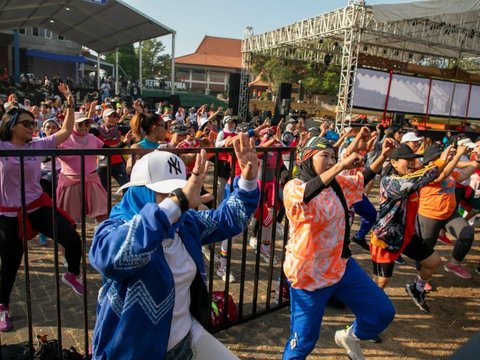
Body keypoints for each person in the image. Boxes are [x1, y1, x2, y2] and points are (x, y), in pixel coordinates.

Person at [89, 133, 259, 359]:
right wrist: (174, 206)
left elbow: (228, 220)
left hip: (184, 342)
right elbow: (111, 260)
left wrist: (247, 181)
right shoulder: (116, 226)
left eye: (179, 190)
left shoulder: (184, 222)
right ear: (139, 190)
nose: (175, 198)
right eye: (166, 192)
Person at [282, 136, 396, 360]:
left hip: (340, 266)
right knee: (303, 343)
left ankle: (349, 336)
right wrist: (340, 165)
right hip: (308, 276)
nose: (330, 160)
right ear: (307, 158)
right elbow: (306, 195)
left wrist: (382, 155)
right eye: (324, 156)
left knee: (381, 312)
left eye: (333, 156)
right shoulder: (293, 187)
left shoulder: (337, 184)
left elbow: (362, 179)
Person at [0, 85, 84, 332]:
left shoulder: (36, 145)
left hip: (37, 205)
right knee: (11, 264)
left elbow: (67, 130)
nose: (31, 127)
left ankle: (71, 274)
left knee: (73, 239)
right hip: (7, 213)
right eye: (26, 123)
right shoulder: (1, 147)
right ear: (12, 125)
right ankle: (2, 306)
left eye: (32, 123)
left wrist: (69, 102)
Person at [370, 143, 449, 312]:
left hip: (407, 235)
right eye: (407, 160)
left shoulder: (411, 175)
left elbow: (428, 175)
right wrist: (440, 162)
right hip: (386, 240)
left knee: (433, 262)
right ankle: (365, 317)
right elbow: (419, 178)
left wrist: (446, 159)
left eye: (413, 160)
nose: (412, 163)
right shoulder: (390, 182)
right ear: (394, 163)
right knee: (381, 283)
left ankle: (417, 288)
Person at [417, 143, 479, 279]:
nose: (448, 156)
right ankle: (420, 280)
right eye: (444, 155)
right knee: (426, 249)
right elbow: (442, 175)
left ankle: (454, 264)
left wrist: (477, 160)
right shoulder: (427, 172)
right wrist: (457, 155)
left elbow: (463, 175)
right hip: (429, 215)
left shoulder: (448, 170)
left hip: (448, 214)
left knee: (467, 234)